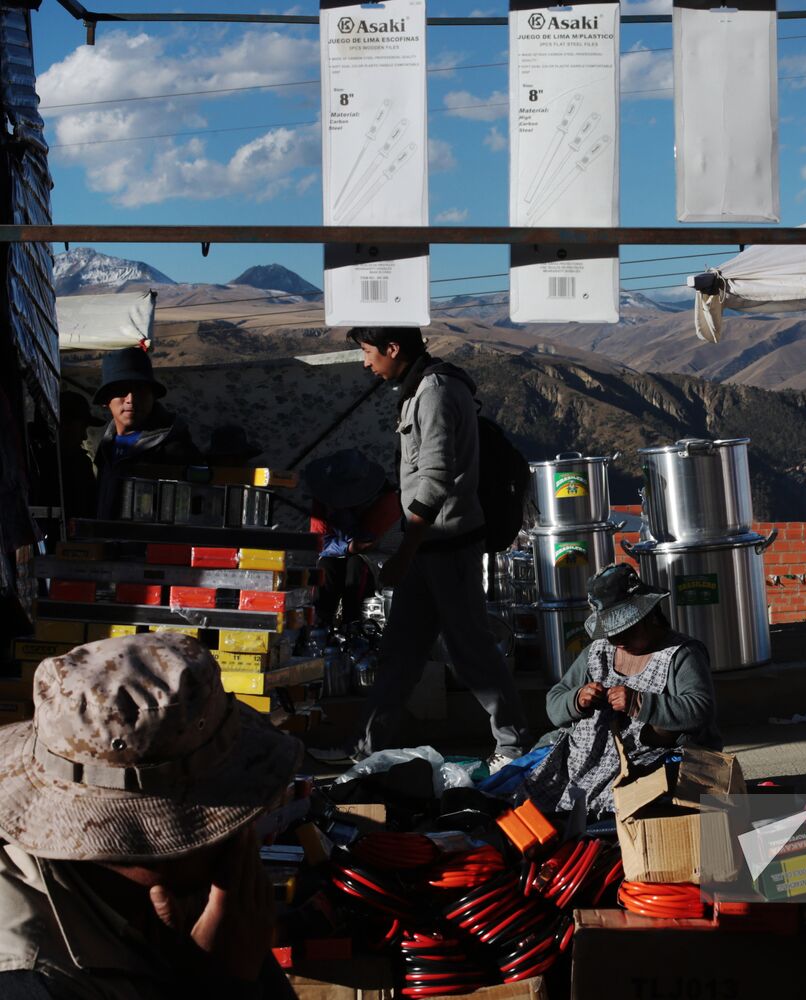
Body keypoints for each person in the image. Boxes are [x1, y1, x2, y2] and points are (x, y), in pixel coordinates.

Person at [0, 631, 303, 999]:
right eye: (231, 814)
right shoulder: (30, 980)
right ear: (158, 846)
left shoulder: (176, 892)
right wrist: (222, 983)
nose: (246, 832)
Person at [332, 327, 529, 773]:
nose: (366, 362)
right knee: (400, 651)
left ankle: (513, 746)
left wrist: (404, 552)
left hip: (447, 545)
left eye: (368, 352)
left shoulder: (436, 391)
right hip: (427, 545)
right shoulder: (418, 389)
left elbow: (437, 475)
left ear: (393, 348)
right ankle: (365, 749)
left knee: (469, 649)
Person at [525, 564, 719, 816]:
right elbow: (554, 705)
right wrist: (577, 699)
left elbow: (701, 709)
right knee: (529, 804)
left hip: (647, 764)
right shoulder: (596, 653)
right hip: (587, 764)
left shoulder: (682, 654)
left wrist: (640, 703)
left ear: (648, 615)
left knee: (620, 811)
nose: (618, 640)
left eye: (627, 630)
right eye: (611, 633)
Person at [92, 346, 201, 519]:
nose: (131, 399)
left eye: (140, 390)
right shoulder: (106, 446)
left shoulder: (175, 450)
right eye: (121, 391)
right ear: (106, 400)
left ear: (153, 396)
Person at [303, 449, 402, 628]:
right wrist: (347, 548)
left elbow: (366, 543)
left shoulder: (387, 502)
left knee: (357, 566)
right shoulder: (323, 499)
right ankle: (320, 626)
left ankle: (354, 626)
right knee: (326, 566)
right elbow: (318, 540)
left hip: (376, 557)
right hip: (341, 552)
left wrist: (351, 548)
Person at [30, 390, 101, 525]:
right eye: (81, 427)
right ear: (62, 425)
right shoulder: (33, 464)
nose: (84, 436)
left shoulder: (80, 463)